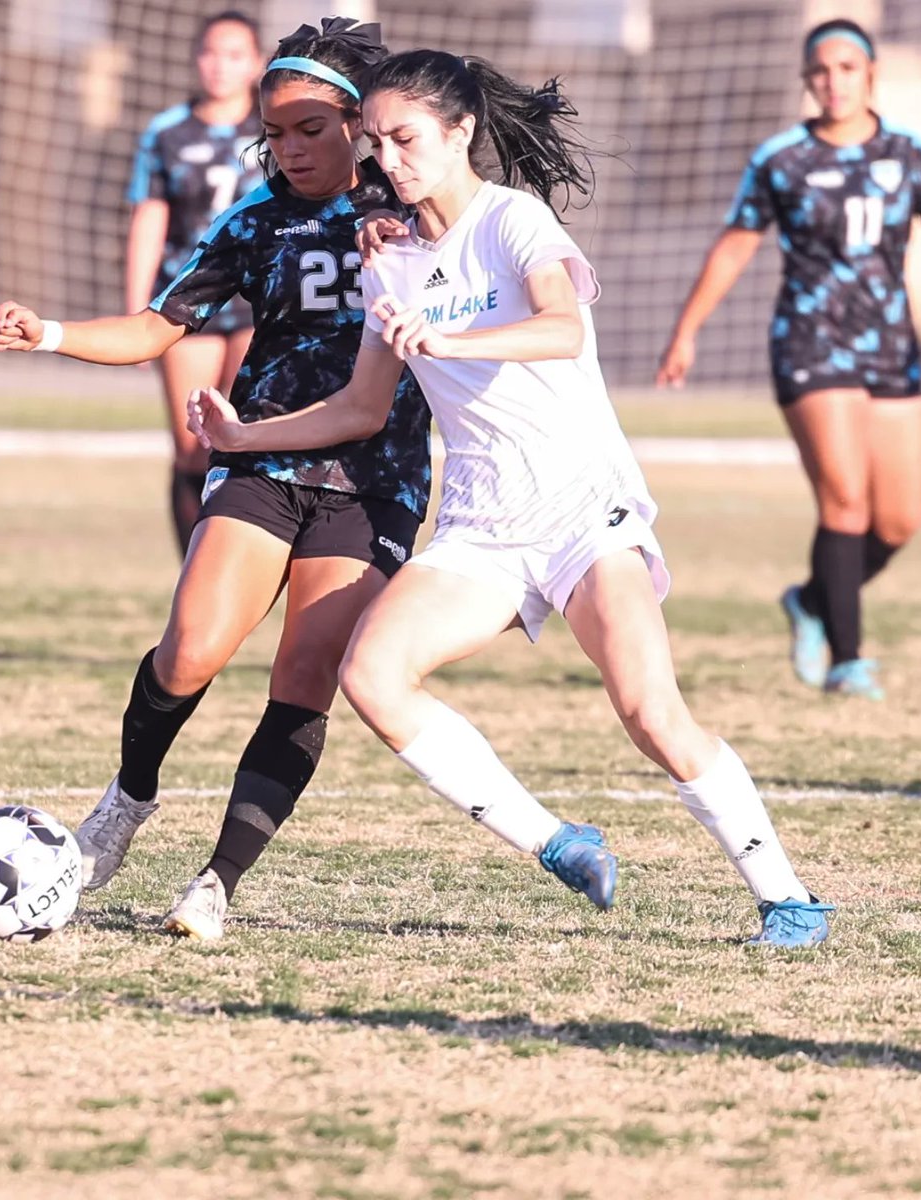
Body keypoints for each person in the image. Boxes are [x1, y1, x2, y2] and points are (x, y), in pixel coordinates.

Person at [188, 49, 834, 946]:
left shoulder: (514, 220)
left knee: (651, 713)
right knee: (372, 676)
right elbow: (361, 407)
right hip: (481, 528)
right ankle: (556, 841)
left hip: (582, 512)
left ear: (460, 134)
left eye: (407, 139)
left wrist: (449, 340)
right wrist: (242, 436)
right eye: (376, 144)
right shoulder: (390, 263)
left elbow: (562, 327)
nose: (390, 161)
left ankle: (787, 897)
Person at [0, 19, 439, 941]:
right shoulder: (256, 220)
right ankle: (126, 799)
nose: (289, 149)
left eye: (308, 130)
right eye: (273, 134)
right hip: (264, 457)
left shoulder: (423, 214)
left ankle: (216, 882)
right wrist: (55, 335)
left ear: (360, 123)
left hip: (376, 480)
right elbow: (160, 326)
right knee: (190, 648)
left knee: (307, 673)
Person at [656, 17, 921, 700]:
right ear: (806, 80)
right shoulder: (782, 158)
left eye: (847, 67)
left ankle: (812, 600)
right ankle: (848, 659)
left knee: (899, 519)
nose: (832, 81)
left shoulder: (910, 153)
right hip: (810, 344)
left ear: (871, 75)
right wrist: (686, 331)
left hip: (891, 349)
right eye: (820, 70)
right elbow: (735, 245)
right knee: (845, 500)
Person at [126, 10, 264, 556]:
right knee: (192, 446)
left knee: (247, 440)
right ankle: (191, 570)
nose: (220, 66)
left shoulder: (275, 125)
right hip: (189, 304)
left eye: (235, 55)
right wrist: (137, 311)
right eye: (210, 52)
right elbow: (149, 219)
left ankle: (238, 566)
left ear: (255, 63)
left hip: (261, 303)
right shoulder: (167, 131)